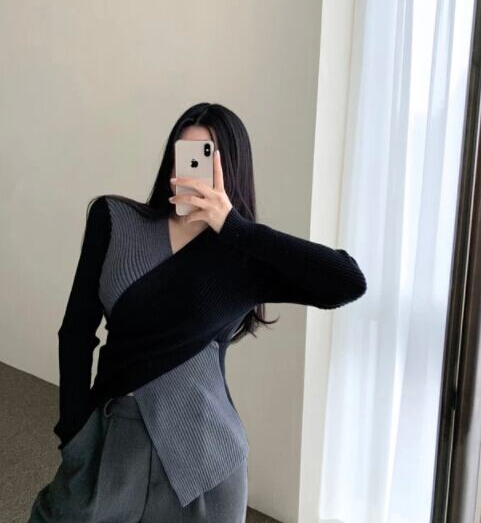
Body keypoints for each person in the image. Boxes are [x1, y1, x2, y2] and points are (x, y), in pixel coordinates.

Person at [28, 102, 367, 522]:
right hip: (114, 437)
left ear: (231, 169)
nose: (188, 170)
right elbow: (76, 332)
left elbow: (348, 282)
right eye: (182, 154)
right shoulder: (116, 221)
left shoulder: (245, 256)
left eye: (204, 158)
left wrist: (234, 225)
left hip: (205, 458)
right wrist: (73, 433)